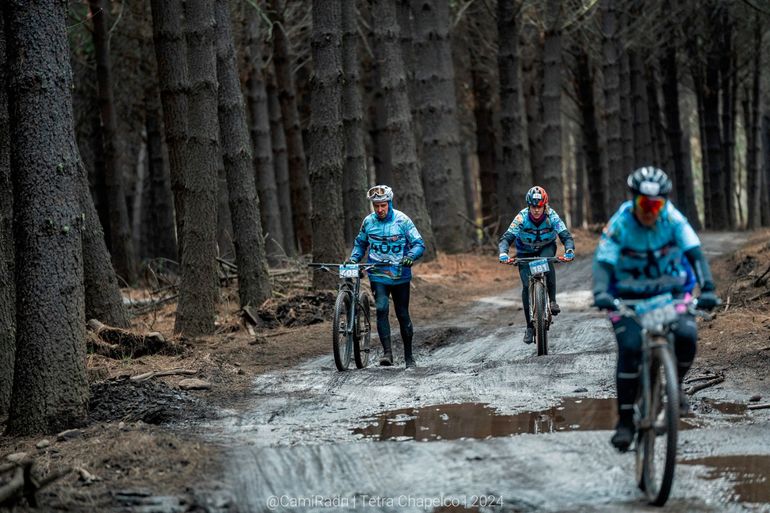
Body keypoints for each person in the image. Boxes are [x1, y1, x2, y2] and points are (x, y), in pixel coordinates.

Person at [592, 166, 720, 452]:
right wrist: (600, 292)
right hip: (628, 298)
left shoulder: (673, 218)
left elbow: (695, 253)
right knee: (630, 348)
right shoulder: (621, 223)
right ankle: (625, 421)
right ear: (633, 200)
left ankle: (674, 386)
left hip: (670, 294)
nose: (649, 211)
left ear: (664, 202)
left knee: (687, 336)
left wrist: (708, 287)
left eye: (656, 204)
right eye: (643, 204)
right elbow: (603, 261)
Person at [346, 185, 425, 369]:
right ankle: (387, 354)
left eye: (383, 205)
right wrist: (354, 258)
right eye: (376, 206)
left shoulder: (402, 220)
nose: (380, 210)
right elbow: (360, 244)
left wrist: (410, 256)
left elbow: (419, 244)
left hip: (400, 275)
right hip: (378, 274)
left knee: (402, 314)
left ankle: (409, 357)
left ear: (389, 203)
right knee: (381, 308)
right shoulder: (368, 222)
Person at [498, 186, 575, 344]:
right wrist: (503, 253)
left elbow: (565, 235)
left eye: (539, 206)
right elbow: (507, 238)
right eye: (533, 207)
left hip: (546, 246)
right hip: (525, 251)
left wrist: (569, 249)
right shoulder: (521, 217)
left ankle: (552, 301)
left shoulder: (551, 215)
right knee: (526, 286)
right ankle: (529, 327)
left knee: (547, 261)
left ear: (544, 205)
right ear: (529, 206)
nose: (536, 210)